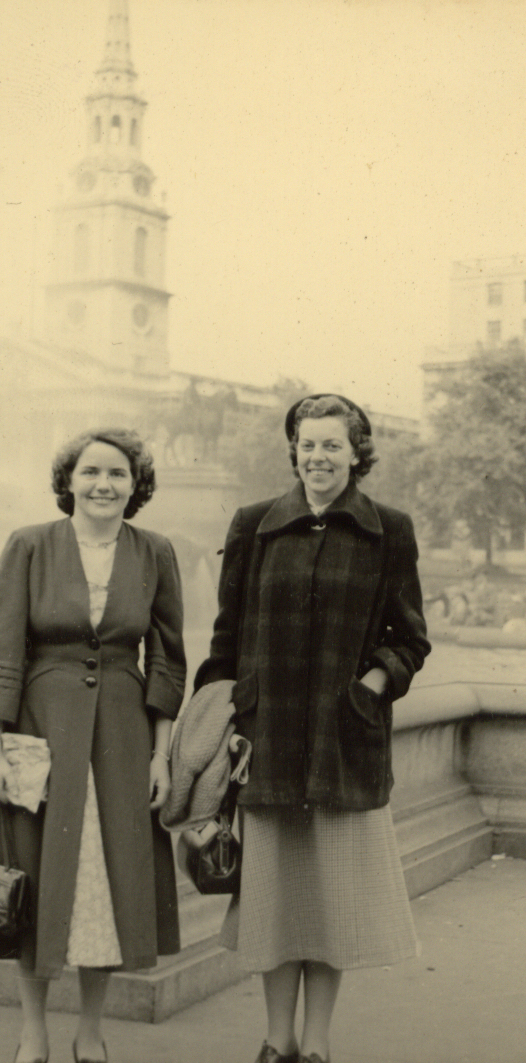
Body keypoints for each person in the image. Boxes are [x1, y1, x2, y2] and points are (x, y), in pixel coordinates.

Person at [194, 394, 430, 1063]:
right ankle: (277, 1039)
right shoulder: (252, 526)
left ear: (356, 453)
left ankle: (318, 1044)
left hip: (342, 745)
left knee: (331, 905)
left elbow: (408, 640)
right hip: (265, 744)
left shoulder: (388, 529)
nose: (318, 456)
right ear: (291, 448)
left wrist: (369, 686)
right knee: (274, 903)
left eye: (332, 444)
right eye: (307, 443)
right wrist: (220, 722)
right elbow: (225, 639)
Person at [0, 428, 186, 1063]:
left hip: (122, 736)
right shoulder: (30, 545)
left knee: (106, 885)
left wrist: (161, 755)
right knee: (36, 882)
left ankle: (90, 1030)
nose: (103, 485)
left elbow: (167, 661)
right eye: (91, 473)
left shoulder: (156, 552)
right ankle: (34, 1032)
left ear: (136, 486)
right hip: (40, 730)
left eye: (117, 474)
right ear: (69, 481)